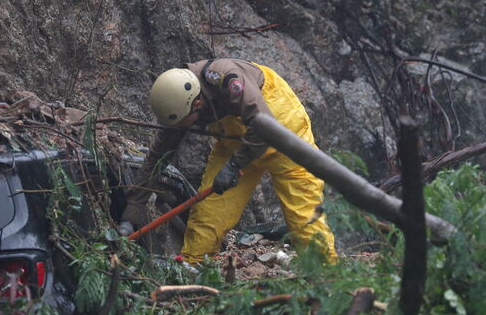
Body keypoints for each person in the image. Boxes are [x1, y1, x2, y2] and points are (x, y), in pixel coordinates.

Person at [120, 58, 337, 263]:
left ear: (197, 103)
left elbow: (264, 127)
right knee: (207, 216)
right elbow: (158, 156)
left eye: (186, 122)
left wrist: (234, 165)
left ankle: (327, 280)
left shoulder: (228, 79)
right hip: (236, 143)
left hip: (283, 132)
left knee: (304, 218)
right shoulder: (179, 104)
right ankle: (192, 272)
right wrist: (134, 205)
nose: (183, 129)